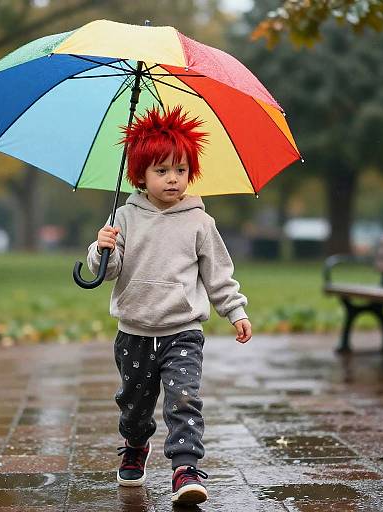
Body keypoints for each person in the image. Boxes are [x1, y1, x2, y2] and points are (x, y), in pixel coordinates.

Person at [87, 105, 252, 505]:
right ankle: (135, 443)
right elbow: (107, 272)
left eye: (180, 169)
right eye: (161, 171)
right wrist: (101, 248)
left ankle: (185, 468)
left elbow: (218, 274)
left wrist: (236, 310)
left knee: (184, 400)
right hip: (135, 332)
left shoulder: (200, 222)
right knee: (135, 402)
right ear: (140, 175)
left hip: (183, 331)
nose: (172, 178)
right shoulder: (124, 218)